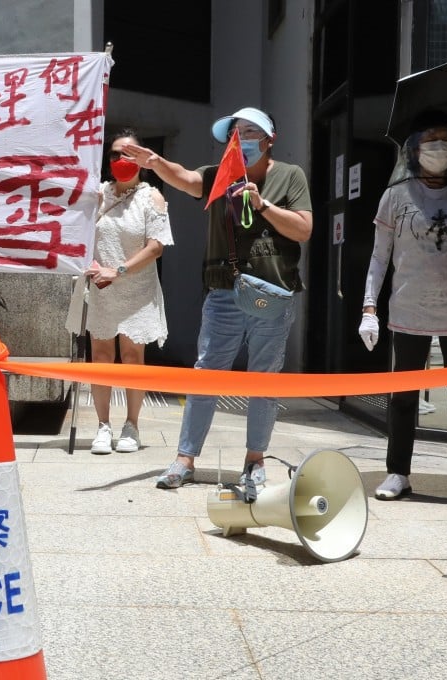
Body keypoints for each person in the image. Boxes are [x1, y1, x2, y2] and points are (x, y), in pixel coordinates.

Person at [122, 107, 313, 488]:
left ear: (269, 139)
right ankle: (184, 459)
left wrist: (263, 205)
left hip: (273, 294)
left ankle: (255, 461)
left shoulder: (291, 176)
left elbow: (304, 229)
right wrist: (156, 162)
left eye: (250, 133)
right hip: (225, 292)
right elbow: (188, 179)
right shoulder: (218, 175)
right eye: (235, 134)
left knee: (264, 381)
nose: (240, 141)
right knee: (206, 374)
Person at [358, 109, 447, 504]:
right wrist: (369, 308)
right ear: (415, 149)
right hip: (408, 313)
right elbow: (379, 257)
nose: (440, 148)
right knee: (403, 397)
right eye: (432, 141)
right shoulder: (395, 196)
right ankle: (398, 472)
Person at [65, 129, 173, 454]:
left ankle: (132, 426)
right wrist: (94, 265)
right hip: (101, 287)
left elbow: (156, 247)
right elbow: (75, 230)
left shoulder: (152, 197)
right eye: (115, 154)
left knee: (131, 358)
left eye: (128, 154)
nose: (121, 160)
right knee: (100, 356)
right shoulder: (98, 194)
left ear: (141, 158)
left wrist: (120, 270)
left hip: (137, 288)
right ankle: (102, 426)